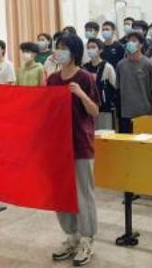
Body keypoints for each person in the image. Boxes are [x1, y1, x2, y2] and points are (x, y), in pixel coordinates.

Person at [48, 34, 100, 267]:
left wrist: (80, 93)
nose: (58, 51)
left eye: (63, 48)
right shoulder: (52, 79)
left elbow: (95, 111)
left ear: (74, 52)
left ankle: (87, 239)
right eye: (57, 47)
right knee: (61, 193)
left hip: (80, 144)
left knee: (83, 193)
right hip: (57, 146)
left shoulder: (85, 77)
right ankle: (72, 236)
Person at [117, 32, 152, 134]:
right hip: (126, 113)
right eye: (129, 41)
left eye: (134, 41)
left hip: (144, 112)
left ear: (141, 44)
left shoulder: (149, 65)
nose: (130, 43)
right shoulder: (120, 65)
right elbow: (118, 88)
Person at [83, 39, 118, 130]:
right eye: (88, 48)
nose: (90, 50)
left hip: (104, 109)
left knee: (104, 135)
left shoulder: (107, 67)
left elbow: (115, 86)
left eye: (93, 47)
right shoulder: (84, 68)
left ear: (101, 50)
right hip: (88, 109)